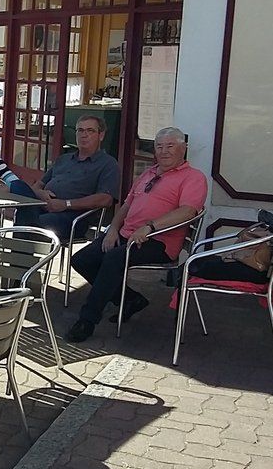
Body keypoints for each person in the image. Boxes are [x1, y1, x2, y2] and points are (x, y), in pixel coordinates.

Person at [67, 127, 207, 342]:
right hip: (127, 235)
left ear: (183, 148)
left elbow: (187, 211)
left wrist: (150, 227)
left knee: (114, 258)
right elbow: (126, 205)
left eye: (170, 146)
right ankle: (130, 299)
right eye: (159, 146)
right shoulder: (148, 173)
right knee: (82, 259)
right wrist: (113, 229)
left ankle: (87, 320)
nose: (164, 151)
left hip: (159, 241)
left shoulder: (193, 177)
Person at [15, 115, 119, 240]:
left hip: (73, 216)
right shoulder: (64, 159)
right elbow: (37, 186)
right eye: (80, 130)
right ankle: (28, 229)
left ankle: (24, 236)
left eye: (90, 131)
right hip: (43, 205)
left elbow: (105, 199)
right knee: (18, 186)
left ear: (101, 135)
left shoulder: (107, 164)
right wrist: (40, 193)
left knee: (28, 221)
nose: (84, 135)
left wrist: (65, 204)